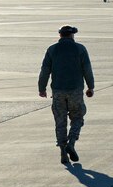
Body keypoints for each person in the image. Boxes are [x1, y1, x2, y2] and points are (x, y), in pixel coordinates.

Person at [38, 25, 95, 165]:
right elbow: (87, 69)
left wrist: (42, 88)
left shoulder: (52, 49)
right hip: (75, 90)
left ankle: (63, 151)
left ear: (60, 35)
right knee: (78, 117)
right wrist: (90, 87)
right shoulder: (80, 49)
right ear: (72, 35)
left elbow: (45, 70)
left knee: (60, 122)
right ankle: (72, 142)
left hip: (58, 91)